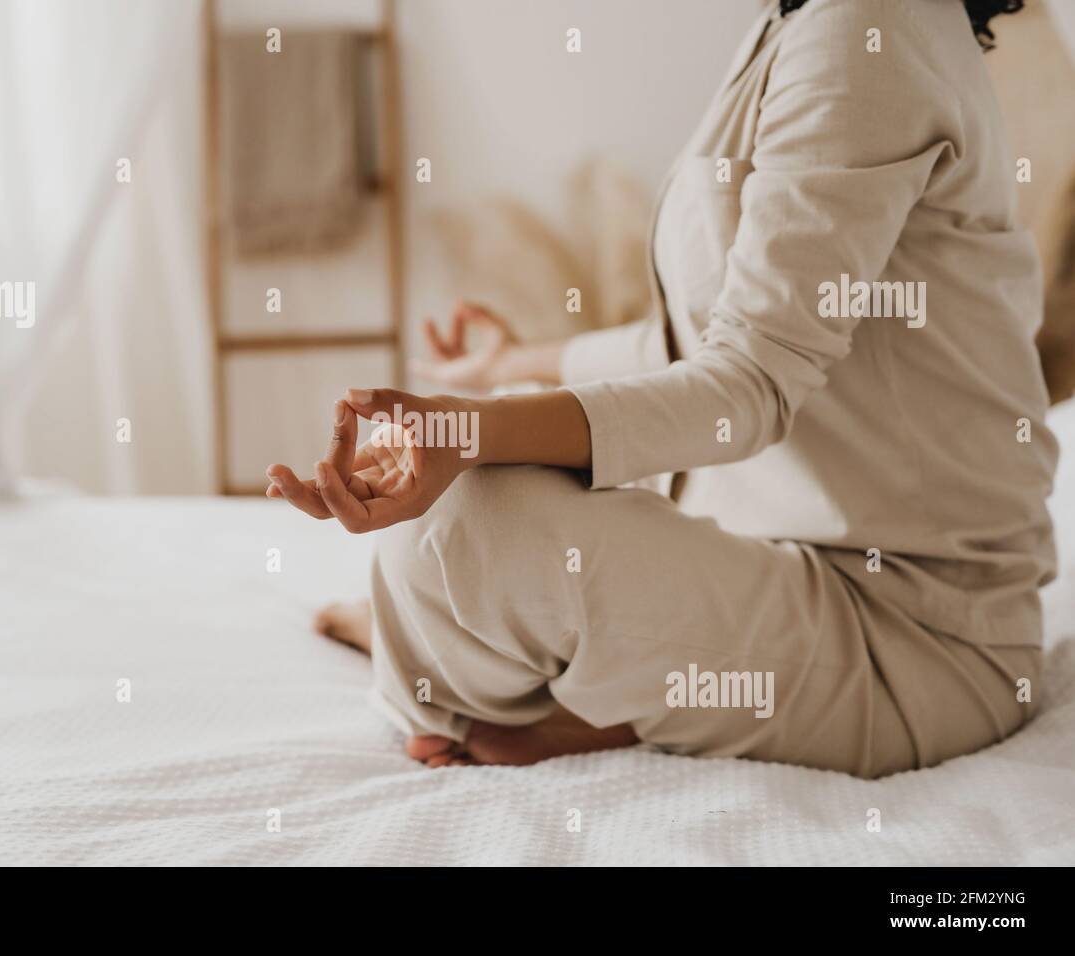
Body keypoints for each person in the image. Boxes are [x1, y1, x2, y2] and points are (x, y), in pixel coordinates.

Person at [266, 0, 1054, 778]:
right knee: (463, 524)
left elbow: (747, 381)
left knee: (464, 527)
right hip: (781, 565)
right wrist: (509, 367)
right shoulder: (804, 23)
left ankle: (458, 661)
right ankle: (501, 660)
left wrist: (472, 431)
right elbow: (707, 341)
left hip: (917, 640)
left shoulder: (867, 27)